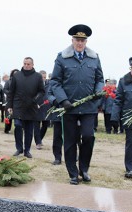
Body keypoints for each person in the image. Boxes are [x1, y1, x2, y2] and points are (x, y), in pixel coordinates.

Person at [50, 24, 104, 185]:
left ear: (86, 41)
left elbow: (99, 79)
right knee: (70, 141)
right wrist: (63, 100)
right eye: (77, 40)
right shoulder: (62, 57)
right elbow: (55, 81)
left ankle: (84, 169)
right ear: (72, 40)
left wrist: (97, 92)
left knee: (88, 137)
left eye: (83, 40)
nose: (80, 43)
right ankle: (73, 173)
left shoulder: (94, 58)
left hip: (88, 107)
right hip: (70, 107)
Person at [7, 57, 45, 158]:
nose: (26, 66)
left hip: (31, 106)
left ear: (32, 65)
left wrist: (35, 99)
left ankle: (26, 150)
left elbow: (42, 91)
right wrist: (9, 105)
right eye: (25, 63)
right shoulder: (17, 75)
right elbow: (11, 92)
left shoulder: (37, 76)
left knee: (29, 130)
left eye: (28, 64)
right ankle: (19, 148)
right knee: (18, 125)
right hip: (18, 105)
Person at [33, 70, 51, 149]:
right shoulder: (34, 85)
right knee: (36, 125)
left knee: (45, 125)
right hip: (37, 107)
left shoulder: (49, 84)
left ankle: (40, 138)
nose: (43, 79)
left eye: (44, 77)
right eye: (42, 77)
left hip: (46, 107)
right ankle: (38, 142)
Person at [3, 69, 19, 134]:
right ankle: (7, 129)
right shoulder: (8, 81)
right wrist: (10, 93)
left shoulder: (21, 81)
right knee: (8, 115)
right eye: (14, 73)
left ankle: (18, 129)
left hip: (18, 101)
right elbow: (5, 89)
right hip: (9, 100)